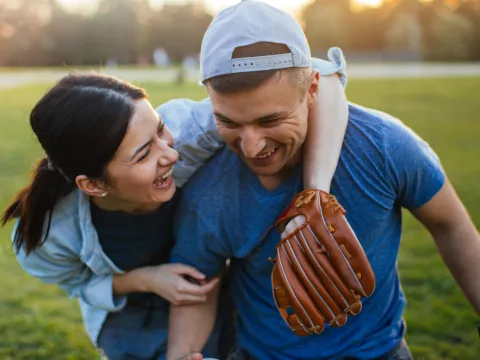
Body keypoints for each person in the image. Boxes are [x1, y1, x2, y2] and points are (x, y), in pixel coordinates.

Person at [165, 1, 480, 360]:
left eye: (270, 121)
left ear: (313, 88)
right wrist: (182, 354)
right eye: (229, 123)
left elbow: (451, 225)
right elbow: (198, 288)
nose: (251, 147)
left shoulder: (384, 146)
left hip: (380, 352)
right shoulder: (209, 189)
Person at [2, 46, 349, 360]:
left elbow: (324, 76)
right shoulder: (47, 236)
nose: (169, 153)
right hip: (129, 319)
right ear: (93, 184)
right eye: (143, 155)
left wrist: (315, 194)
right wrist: (146, 279)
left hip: (213, 294)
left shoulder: (187, 134)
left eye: (160, 130)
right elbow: (78, 283)